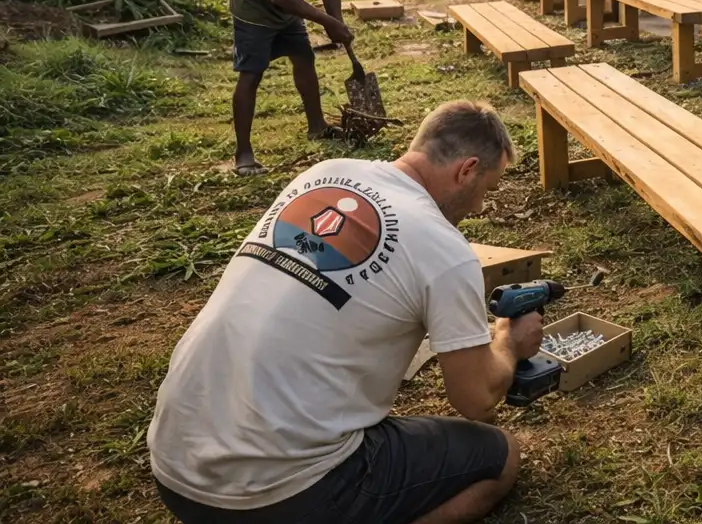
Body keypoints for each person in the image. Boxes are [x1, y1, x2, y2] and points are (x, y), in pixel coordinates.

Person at [149, 101, 538, 524]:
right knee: (500, 456)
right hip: (278, 495)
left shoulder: (323, 175)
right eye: (488, 188)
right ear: (466, 169)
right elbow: (476, 400)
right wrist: (509, 344)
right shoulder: (445, 250)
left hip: (176, 469)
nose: (481, 206)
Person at [228, 0, 379, 176]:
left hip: (288, 6)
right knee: (252, 74)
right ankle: (243, 153)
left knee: (304, 59)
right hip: (254, 5)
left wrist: (338, 23)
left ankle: (317, 127)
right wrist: (327, 22)